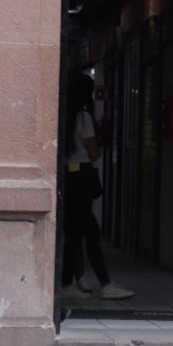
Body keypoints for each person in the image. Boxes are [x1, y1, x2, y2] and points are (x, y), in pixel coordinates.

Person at [61, 73, 133, 300]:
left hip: (68, 176)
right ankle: (103, 284)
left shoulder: (64, 116)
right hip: (82, 176)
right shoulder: (83, 118)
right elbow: (93, 153)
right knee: (88, 231)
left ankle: (71, 281)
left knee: (76, 232)